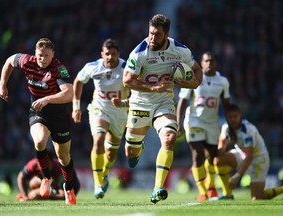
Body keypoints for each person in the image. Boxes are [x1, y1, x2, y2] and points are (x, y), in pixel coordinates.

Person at [123, 14, 203, 204]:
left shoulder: (181, 51)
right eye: (151, 33)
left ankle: (157, 188)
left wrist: (191, 83)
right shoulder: (139, 52)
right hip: (140, 103)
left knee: (169, 138)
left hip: (163, 104)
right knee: (130, 153)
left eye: (157, 35)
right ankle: (137, 145)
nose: (152, 38)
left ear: (167, 35)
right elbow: (127, 81)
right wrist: (153, 87)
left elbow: (197, 72)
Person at [0, 38, 77, 205]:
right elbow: (9, 62)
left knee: (63, 156)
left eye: (47, 56)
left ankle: (69, 187)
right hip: (38, 112)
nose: (43, 59)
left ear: (53, 55)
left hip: (59, 116)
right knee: (40, 141)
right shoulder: (27, 61)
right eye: (40, 55)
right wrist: (2, 84)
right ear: (35, 54)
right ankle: (46, 178)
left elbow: (69, 93)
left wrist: (47, 99)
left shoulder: (58, 69)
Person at [72, 38, 129, 199]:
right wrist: (76, 107)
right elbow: (78, 81)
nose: (110, 57)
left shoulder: (127, 68)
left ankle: (104, 173)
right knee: (98, 140)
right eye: (107, 54)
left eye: (113, 54)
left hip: (120, 112)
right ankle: (98, 184)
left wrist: (125, 102)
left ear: (118, 53)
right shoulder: (93, 67)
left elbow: (136, 90)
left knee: (111, 154)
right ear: (102, 54)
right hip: (99, 109)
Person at [176, 51, 230, 201]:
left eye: (211, 61)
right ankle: (202, 192)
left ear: (216, 63)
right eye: (206, 61)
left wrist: (230, 126)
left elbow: (226, 104)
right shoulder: (192, 77)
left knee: (212, 157)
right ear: (201, 62)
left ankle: (211, 186)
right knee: (197, 155)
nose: (209, 64)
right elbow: (182, 101)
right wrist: (178, 123)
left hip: (212, 123)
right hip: (194, 121)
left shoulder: (223, 81)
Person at [213, 104, 283, 200]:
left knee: (257, 197)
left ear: (240, 115)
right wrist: (215, 151)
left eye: (235, 116)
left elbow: (249, 157)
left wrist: (236, 177)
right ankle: (227, 194)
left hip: (258, 160)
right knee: (218, 160)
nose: (233, 119)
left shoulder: (247, 130)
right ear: (227, 117)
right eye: (230, 117)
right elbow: (221, 147)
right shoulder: (225, 127)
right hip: (242, 155)